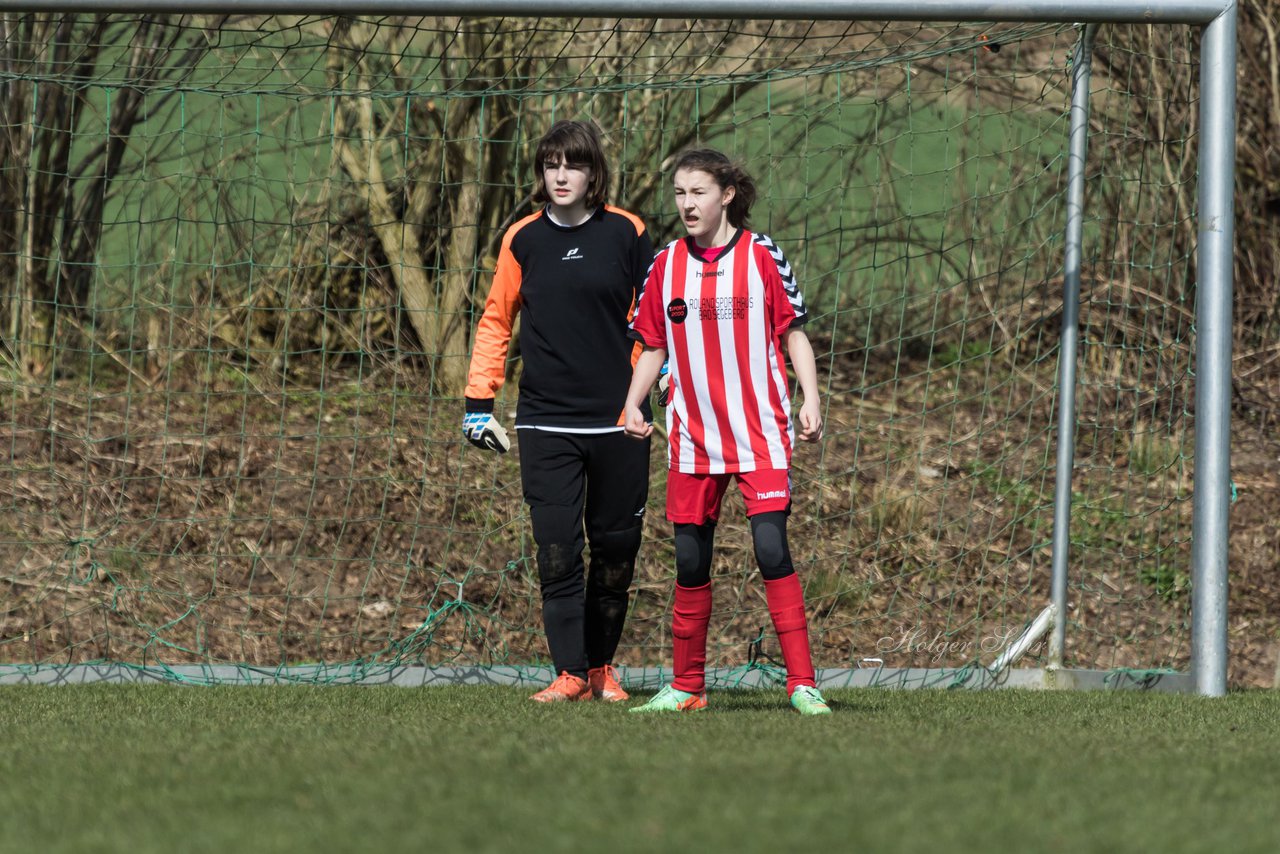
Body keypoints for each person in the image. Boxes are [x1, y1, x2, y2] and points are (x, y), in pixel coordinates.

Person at [622, 148, 831, 715]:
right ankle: (688, 688)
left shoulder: (762, 256)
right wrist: (633, 403)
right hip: (692, 436)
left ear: (727, 194)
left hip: (759, 432)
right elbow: (653, 345)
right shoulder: (665, 264)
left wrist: (810, 398)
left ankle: (803, 684)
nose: (688, 205)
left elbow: (794, 335)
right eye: (680, 194)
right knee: (690, 562)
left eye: (699, 193)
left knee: (770, 548)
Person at [462, 120, 654, 703]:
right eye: (551, 165)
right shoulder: (522, 238)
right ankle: (569, 672)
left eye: (573, 164)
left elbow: (655, 324)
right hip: (545, 422)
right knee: (557, 549)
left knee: (617, 547)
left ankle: (602, 668)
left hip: (620, 421)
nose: (561, 175)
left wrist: (653, 390)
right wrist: (478, 403)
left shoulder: (628, 231)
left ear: (594, 172)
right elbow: (497, 320)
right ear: (541, 174)